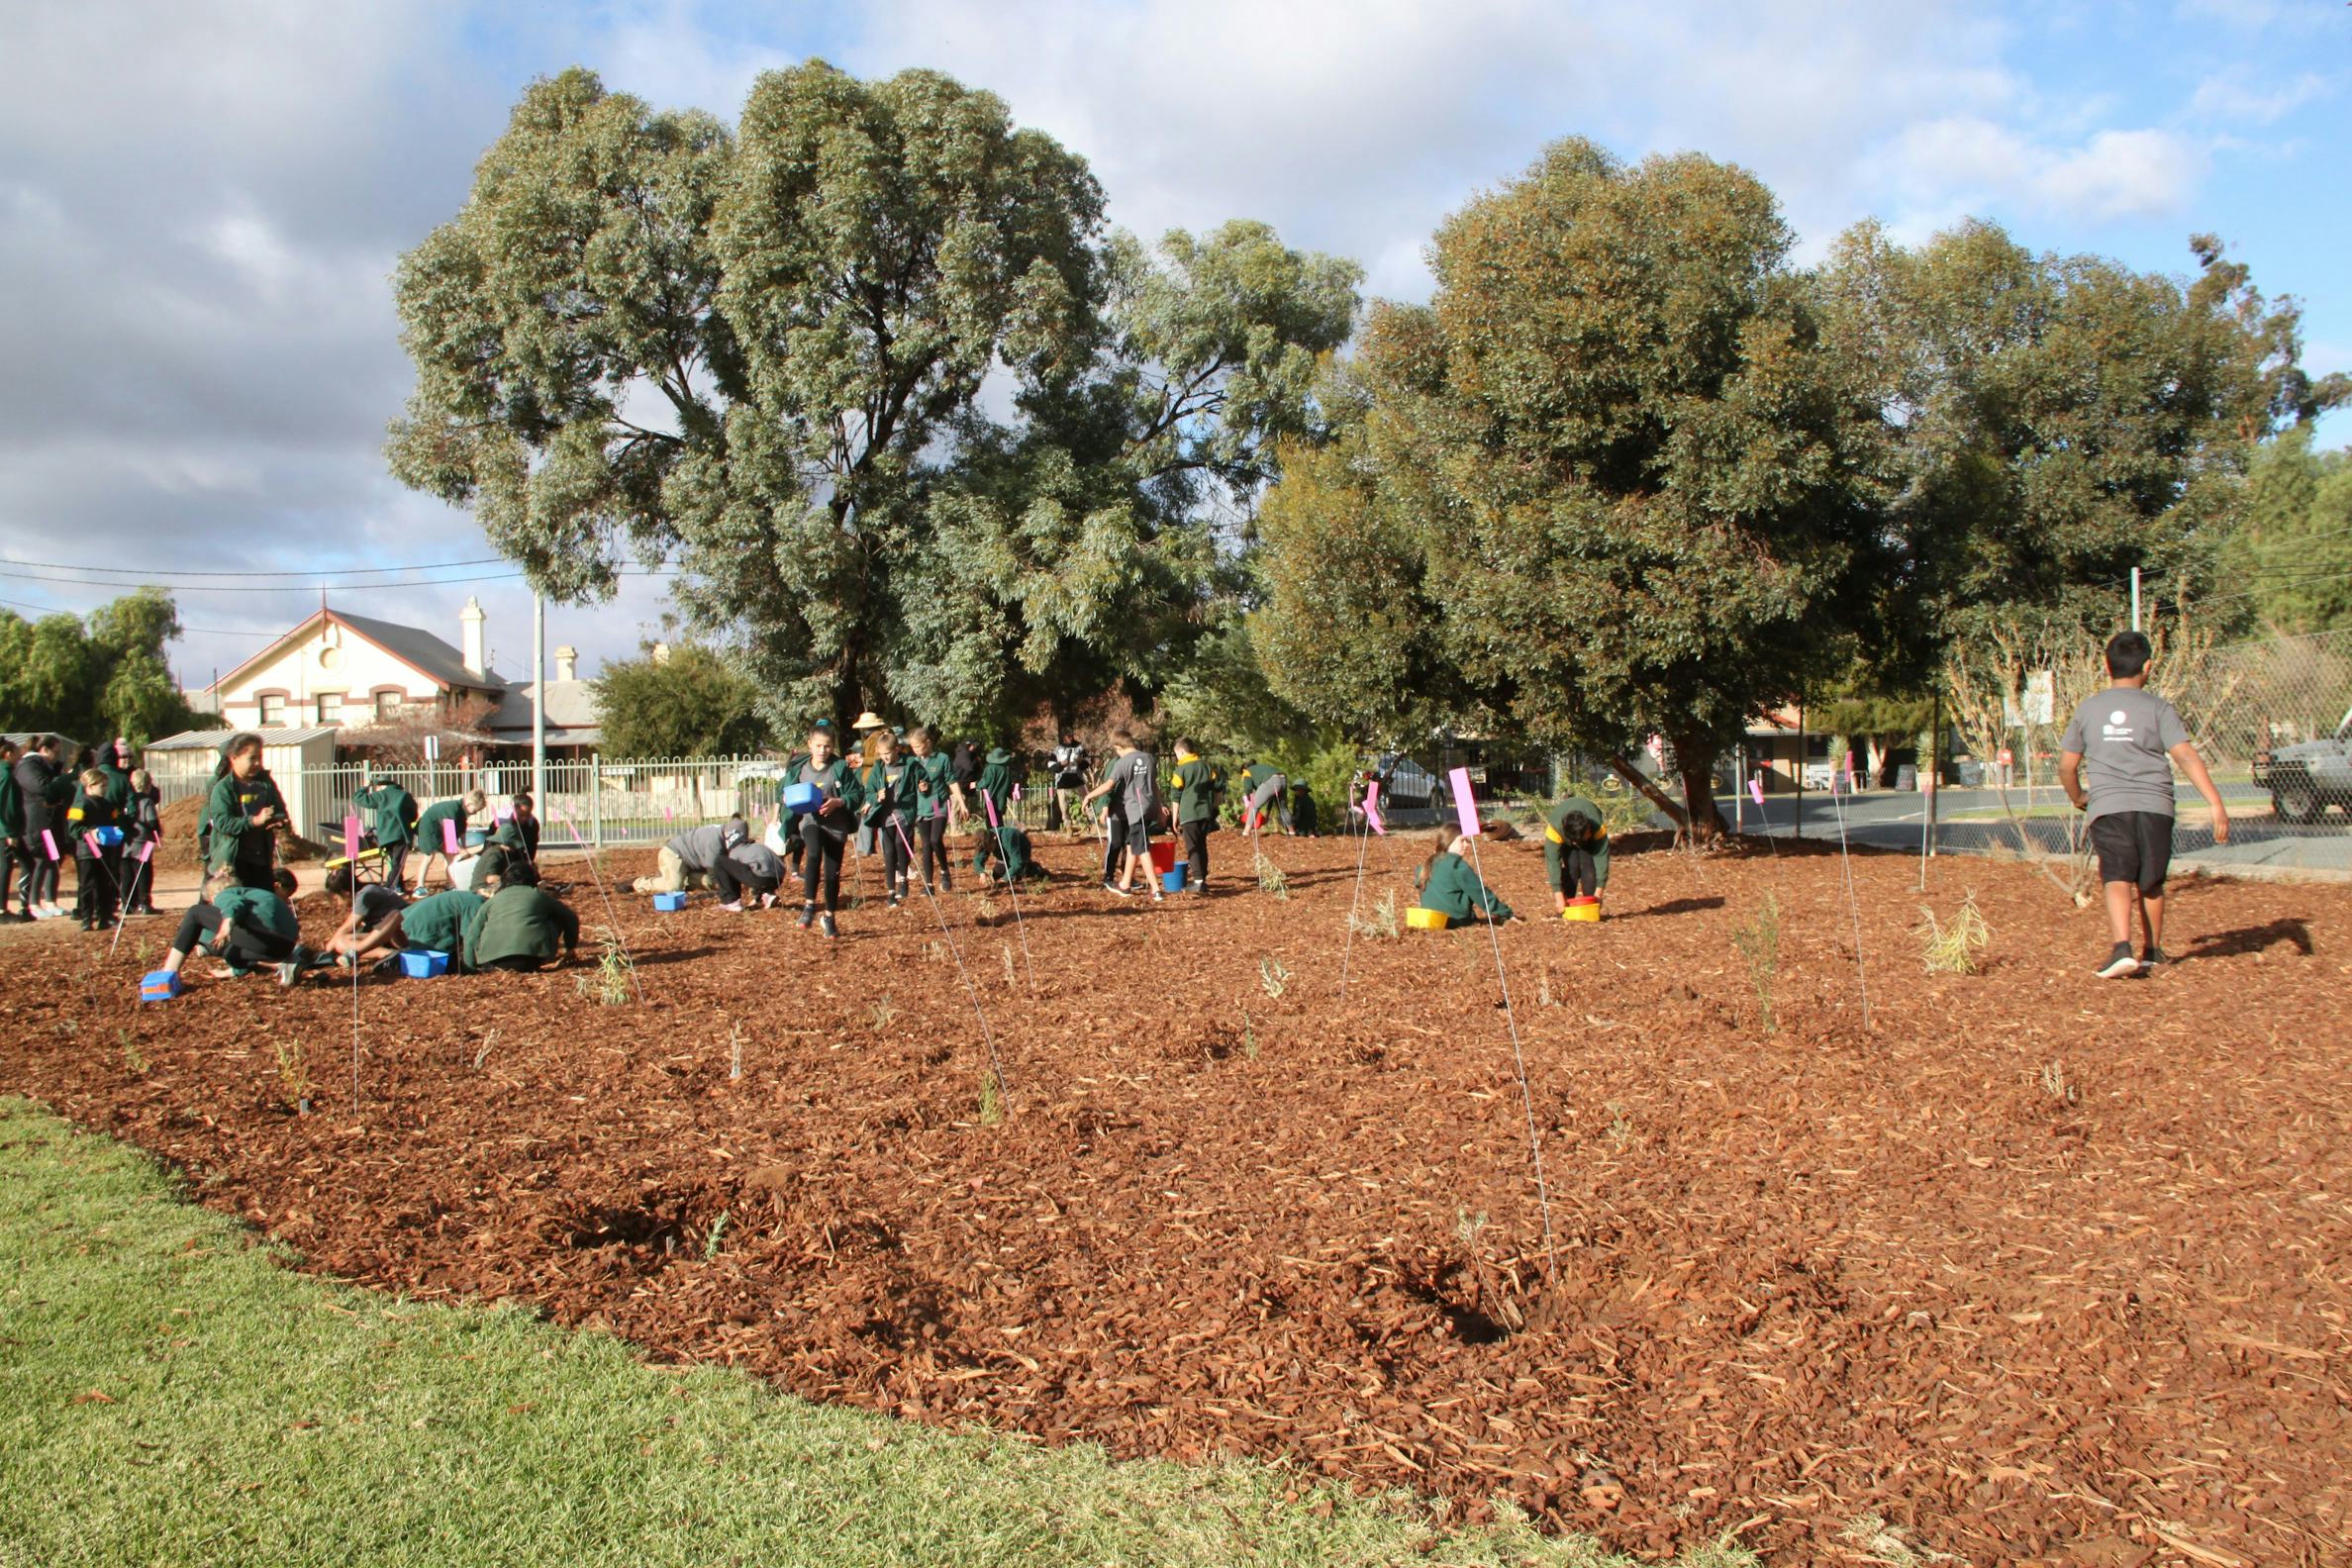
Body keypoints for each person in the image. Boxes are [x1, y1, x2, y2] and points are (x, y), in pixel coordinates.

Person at [2059, 630, 2231, 978]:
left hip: (2108, 805)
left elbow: (2067, 765)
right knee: (2151, 880)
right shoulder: (2159, 708)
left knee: (2117, 874)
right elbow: (2185, 755)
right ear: (2148, 667)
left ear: (2106, 667)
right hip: (2156, 805)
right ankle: (2153, 950)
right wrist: (2215, 802)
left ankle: (2121, 948)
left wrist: (2078, 797)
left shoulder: (2088, 710)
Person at [157, 866, 311, 987]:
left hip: (265, 935)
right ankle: (287, 964)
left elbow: (234, 905)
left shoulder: (226, 894)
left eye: (211, 903)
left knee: (195, 912)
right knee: (231, 951)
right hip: (283, 946)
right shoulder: (256, 895)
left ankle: (167, 974)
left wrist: (226, 925)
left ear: (214, 896)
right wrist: (230, 972)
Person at [791, 724, 862, 937]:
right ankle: (810, 906)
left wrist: (837, 802)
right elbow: (785, 791)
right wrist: (787, 799)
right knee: (813, 854)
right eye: (819, 746)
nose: (823, 750)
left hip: (836, 826)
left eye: (828, 746)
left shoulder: (839, 767)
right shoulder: (800, 768)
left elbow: (856, 794)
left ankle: (829, 917)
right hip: (811, 821)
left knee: (833, 875)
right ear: (810, 745)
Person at [458, 859, 580, 973]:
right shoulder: (538, 896)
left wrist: (469, 966)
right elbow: (570, 917)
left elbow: (472, 934)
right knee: (556, 916)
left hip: (493, 962)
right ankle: (543, 952)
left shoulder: (492, 901)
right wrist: (570, 948)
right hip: (530, 961)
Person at [202, 733, 287, 892]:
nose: (257, 763)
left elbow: (280, 809)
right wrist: (254, 821)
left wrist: (279, 819)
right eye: (252, 758)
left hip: (261, 859)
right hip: (234, 861)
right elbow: (222, 823)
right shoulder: (223, 788)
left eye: (259, 758)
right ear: (234, 758)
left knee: (262, 904)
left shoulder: (265, 784)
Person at [1084, 731, 1161, 900]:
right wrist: (1160, 806)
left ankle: (1155, 889)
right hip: (1149, 807)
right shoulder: (1149, 758)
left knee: (1142, 849)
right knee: (1131, 845)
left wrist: (1090, 795)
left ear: (1118, 747)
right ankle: (1125, 884)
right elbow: (1154, 785)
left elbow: (1108, 785)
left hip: (1135, 809)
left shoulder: (1122, 762)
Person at [857, 727, 920, 908]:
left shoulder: (909, 765)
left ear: (897, 750)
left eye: (888, 753)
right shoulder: (878, 768)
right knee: (889, 852)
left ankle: (903, 877)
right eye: (882, 754)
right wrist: (876, 797)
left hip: (904, 813)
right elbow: (869, 791)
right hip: (885, 815)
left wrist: (924, 787)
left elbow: (922, 782)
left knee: (902, 844)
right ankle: (891, 892)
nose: (885, 757)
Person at [13, 735, 69, 919]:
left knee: (53, 859)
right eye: (56, 751)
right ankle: (34, 903)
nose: (58, 755)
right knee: (40, 860)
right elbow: (41, 787)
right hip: (36, 822)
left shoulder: (48, 767)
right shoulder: (28, 766)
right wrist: (61, 783)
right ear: (44, 749)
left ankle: (51, 901)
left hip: (50, 823)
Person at [1416, 828, 1519, 925]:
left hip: (1427, 921)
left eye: (1467, 841)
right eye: (1462, 841)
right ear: (1448, 842)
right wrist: (1506, 914)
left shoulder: (1424, 865)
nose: (1467, 845)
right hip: (1455, 922)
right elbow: (1481, 894)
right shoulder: (1458, 867)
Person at [318, 869, 413, 970]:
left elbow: (348, 927)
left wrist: (326, 952)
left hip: (402, 934)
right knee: (343, 941)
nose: (337, 904)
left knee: (341, 943)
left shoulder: (365, 895)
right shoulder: (365, 891)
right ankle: (391, 954)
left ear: (345, 893)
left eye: (337, 899)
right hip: (387, 935)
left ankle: (389, 955)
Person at [66, 767, 125, 931]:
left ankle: (105, 916)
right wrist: (89, 833)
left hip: (106, 851)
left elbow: (115, 824)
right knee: (87, 885)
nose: (105, 789)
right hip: (87, 852)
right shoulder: (80, 805)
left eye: (106, 785)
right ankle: (86, 918)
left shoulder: (109, 805)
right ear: (90, 786)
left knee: (105, 885)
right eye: (102, 785)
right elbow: (73, 829)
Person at [634, 817, 750, 894]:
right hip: (674, 854)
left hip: (691, 863)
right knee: (673, 888)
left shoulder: (724, 834)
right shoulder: (714, 841)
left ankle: (681, 878)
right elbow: (713, 871)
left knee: (708, 882)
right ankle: (640, 883)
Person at [906, 727, 958, 895]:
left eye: (918, 746)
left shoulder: (941, 759)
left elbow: (951, 781)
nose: (915, 750)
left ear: (928, 743)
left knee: (936, 840)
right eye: (912, 747)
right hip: (921, 808)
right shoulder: (913, 762)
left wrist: (962, 802)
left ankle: (945, 872)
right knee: (926, 845)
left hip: (937, 805)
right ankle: (928, 884)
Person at [353, 771, 421, 894]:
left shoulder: (380, 796)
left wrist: (366, 786)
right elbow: (413, 815)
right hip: (401, 835)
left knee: (394, 863)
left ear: (381, 785)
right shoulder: (404, 795)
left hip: (384, 837)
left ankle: (398, 887)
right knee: (398, 864)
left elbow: (358, 797)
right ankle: (389, 888)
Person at [1543, 793, 1611, 913]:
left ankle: (1590, 907)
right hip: (1567, 838)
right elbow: (1553, 863)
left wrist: (1598, 894)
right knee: (1571, 868)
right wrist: (1558, 897)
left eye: (1582, 838)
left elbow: (1601, 859)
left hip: (1588, 837)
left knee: (1589, 868)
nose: (1578, 844)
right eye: (1576, 841)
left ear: (1589, 828)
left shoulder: (1597, 827)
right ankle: (1567, 905)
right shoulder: (1555, 830)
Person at [412, 789, 484, 893]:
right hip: (430, 830)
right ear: (469, 804)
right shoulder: (452, 809)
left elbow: (462, 830)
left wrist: (464, 846)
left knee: (451, 857)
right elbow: (449, 833)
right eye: (475, 810)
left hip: (442, 832)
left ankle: (450, 884)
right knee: (429, 856)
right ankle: (419, 885)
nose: (476, 813)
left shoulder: (462, 812)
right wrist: (461, 849)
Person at [970, 743, 1024, 883]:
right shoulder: (1005, 770)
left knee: (992, 834)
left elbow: (984, 783)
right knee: (999, 830)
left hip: (990, 803)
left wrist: (975, 785)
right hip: (1000, 804)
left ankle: (1002, 860)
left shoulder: (990, 769)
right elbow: (1008, 788)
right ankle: (1004, 859)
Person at [1171, 738, 1220, 894]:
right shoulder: (1206, 767)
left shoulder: (1181, 770)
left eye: (1176, 754)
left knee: (1192, 847)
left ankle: (1198, 882)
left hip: (1188, 813)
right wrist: (1214, 807)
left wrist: (1174, 817)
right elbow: (1218, 788)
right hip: (1205, 812)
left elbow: (1176, 796)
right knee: (1201, 845)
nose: (1177, 758)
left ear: (1182, 752)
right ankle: (1202, 880)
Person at [122, 767, 163, 916]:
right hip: (144, 843)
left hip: (127, 843)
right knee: (144, 873)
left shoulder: (126, 801)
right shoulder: (146, 801)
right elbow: (152, 822)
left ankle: (127, 904)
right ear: (148, 785)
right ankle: (144, 902)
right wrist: (158, 832)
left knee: (127, 874)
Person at [711, 839, 787, 913]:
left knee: (719, 861)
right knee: (758, 871)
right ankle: (768, 895)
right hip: (778, 879)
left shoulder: (735, 851)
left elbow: (732, 873)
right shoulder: (757, 846)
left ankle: (731, 902)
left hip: (761, 879)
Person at [0, 738, 22, 924]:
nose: (19, 755)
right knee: (4, 867)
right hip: (3, 830)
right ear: (7, 754)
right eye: (16, 752)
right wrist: (10, 833)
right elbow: (6, 806)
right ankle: (1, 910)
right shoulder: (5, 774)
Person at [1049, 735, 1090, 833]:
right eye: (1067, 736)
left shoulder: (1079, 747)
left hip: (1078, 780)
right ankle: (1068, 827)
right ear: (1064, 737)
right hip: (1062, 782)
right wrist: (1061, 765)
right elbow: (1050, 765)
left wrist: (1081, 761)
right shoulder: (1057, 749)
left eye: (1071, 736)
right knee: (1064, 807)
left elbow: (1087, 762)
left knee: (1087, 801)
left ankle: (1091, 823)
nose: (1070, 738)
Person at [1241, 761, 1291, 835]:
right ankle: (1292, 831)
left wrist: (1249, 797)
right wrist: (1267, 814)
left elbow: (1248, 788)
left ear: (1243, 770)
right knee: (1283, 808)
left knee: (1254, 806)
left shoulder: (1246, 772)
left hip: (1271, 780)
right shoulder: (1262, 768)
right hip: (1283, 778)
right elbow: (1272, 797)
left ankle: (1246, 832)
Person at [508, 792, 541, 859]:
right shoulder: (502, 821)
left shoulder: (533, 824)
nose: (524, 818)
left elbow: (532, 847)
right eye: (521, 815)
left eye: (528, 815)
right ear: (514, 810)